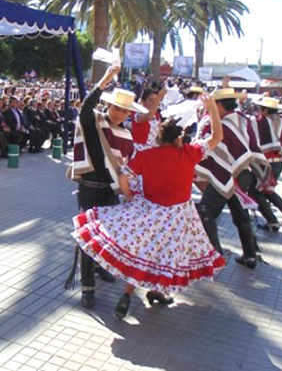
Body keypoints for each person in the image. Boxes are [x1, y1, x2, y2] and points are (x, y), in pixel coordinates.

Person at [72, 91, 226, 320]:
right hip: (178, 215)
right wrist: (213, 109)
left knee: (144, 252)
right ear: (178, 138)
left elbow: (124, 175)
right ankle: (136, 292)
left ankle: (139, 292)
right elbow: (216, 138)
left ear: (159, 137)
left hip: (150, 211)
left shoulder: (148, 155)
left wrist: (130, 196)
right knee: (165, 256)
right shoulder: (189, 153)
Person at [65, 65, 141, 309]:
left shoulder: (127, 135)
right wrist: (106, 78)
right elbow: (86, 107)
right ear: (109, 106)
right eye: (116, 107)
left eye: (124, 110)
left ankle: (101, 267)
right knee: (88, 239)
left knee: (108, 237)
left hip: (111, 192)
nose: (119, 113)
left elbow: (127, 168)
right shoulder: (95, 122)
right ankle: (87, 287)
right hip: (89, 188)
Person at [194, 88, 265, 269]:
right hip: (242, 172)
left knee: (205, 210)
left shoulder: (221, 124)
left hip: (225, 174)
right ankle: (250, 254)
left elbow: (211, 147)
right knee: (240, 214)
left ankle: (215, 254)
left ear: (218, 104)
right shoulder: (243, 119)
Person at [250, 97, 282, 231]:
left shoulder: (260, 121)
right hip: (278, 162)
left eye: (260, 109)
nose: (258, 111)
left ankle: (273, 221)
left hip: (264, 162)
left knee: (254, 191)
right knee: (267, 191)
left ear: (265, 110)